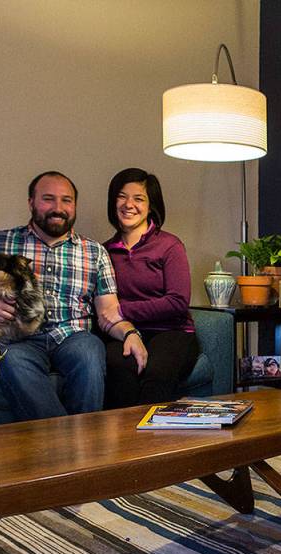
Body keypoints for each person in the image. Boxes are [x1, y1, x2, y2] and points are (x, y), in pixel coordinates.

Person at [0, 171, 146, 420]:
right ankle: (73, 441)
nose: (58, 208)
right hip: (18, 340)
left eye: (66, 200)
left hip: (73, 337)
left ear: (75, 205)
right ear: (31, 202)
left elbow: (108, 311)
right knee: (10, 358)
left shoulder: (95, 252)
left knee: (90, 351)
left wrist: (130, 333)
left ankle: (74, 437)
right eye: (48, 199)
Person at [102, 168, 199, 408]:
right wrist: (126, 327)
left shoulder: (169, 245)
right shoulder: (103, 252)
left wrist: (123, 310)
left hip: (172, 332)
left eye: (139, 198)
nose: (129, 204)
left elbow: (177, 302)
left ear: (150, 205)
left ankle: (149, 433)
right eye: (122, 196)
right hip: (125, 332)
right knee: (119, 371)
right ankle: (125, 432)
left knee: (156, 375)